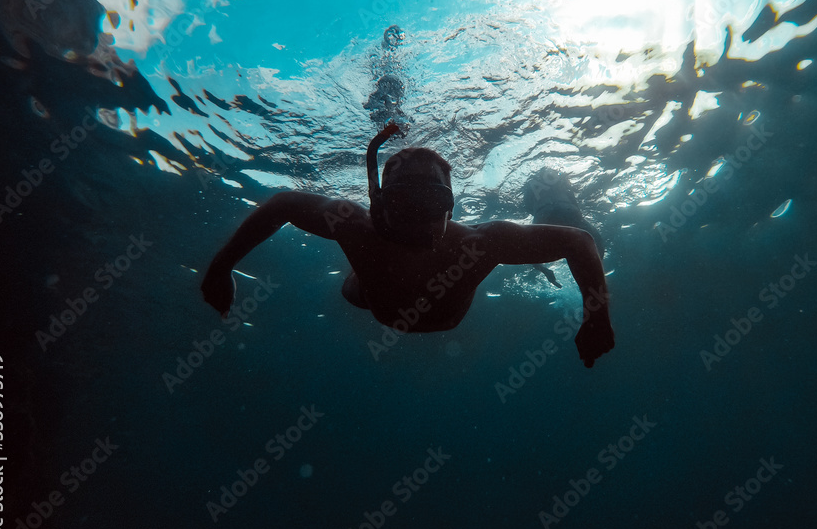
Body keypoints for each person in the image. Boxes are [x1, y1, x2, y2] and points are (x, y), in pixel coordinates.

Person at [200, 121, 614, 367]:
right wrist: (219, 269)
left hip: (382, 299)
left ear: (451, 206)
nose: (418, 215)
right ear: (379, 201)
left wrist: (596, 318)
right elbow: (284, 202)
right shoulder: (357, 225)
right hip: (368, 294)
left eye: (431, 200)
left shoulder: (481, 241)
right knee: (356, 273)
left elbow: (579, 241)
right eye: (403, 200)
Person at [522, 168, 605, 289]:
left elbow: (529, 208)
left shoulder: (531, 190)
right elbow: (574, 202)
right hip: (568, 210)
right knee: (592, 240)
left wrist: (543, 270)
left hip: (542, 215)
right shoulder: (562, 183)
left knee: (531, 249)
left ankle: (545, 271)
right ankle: (598, 270)